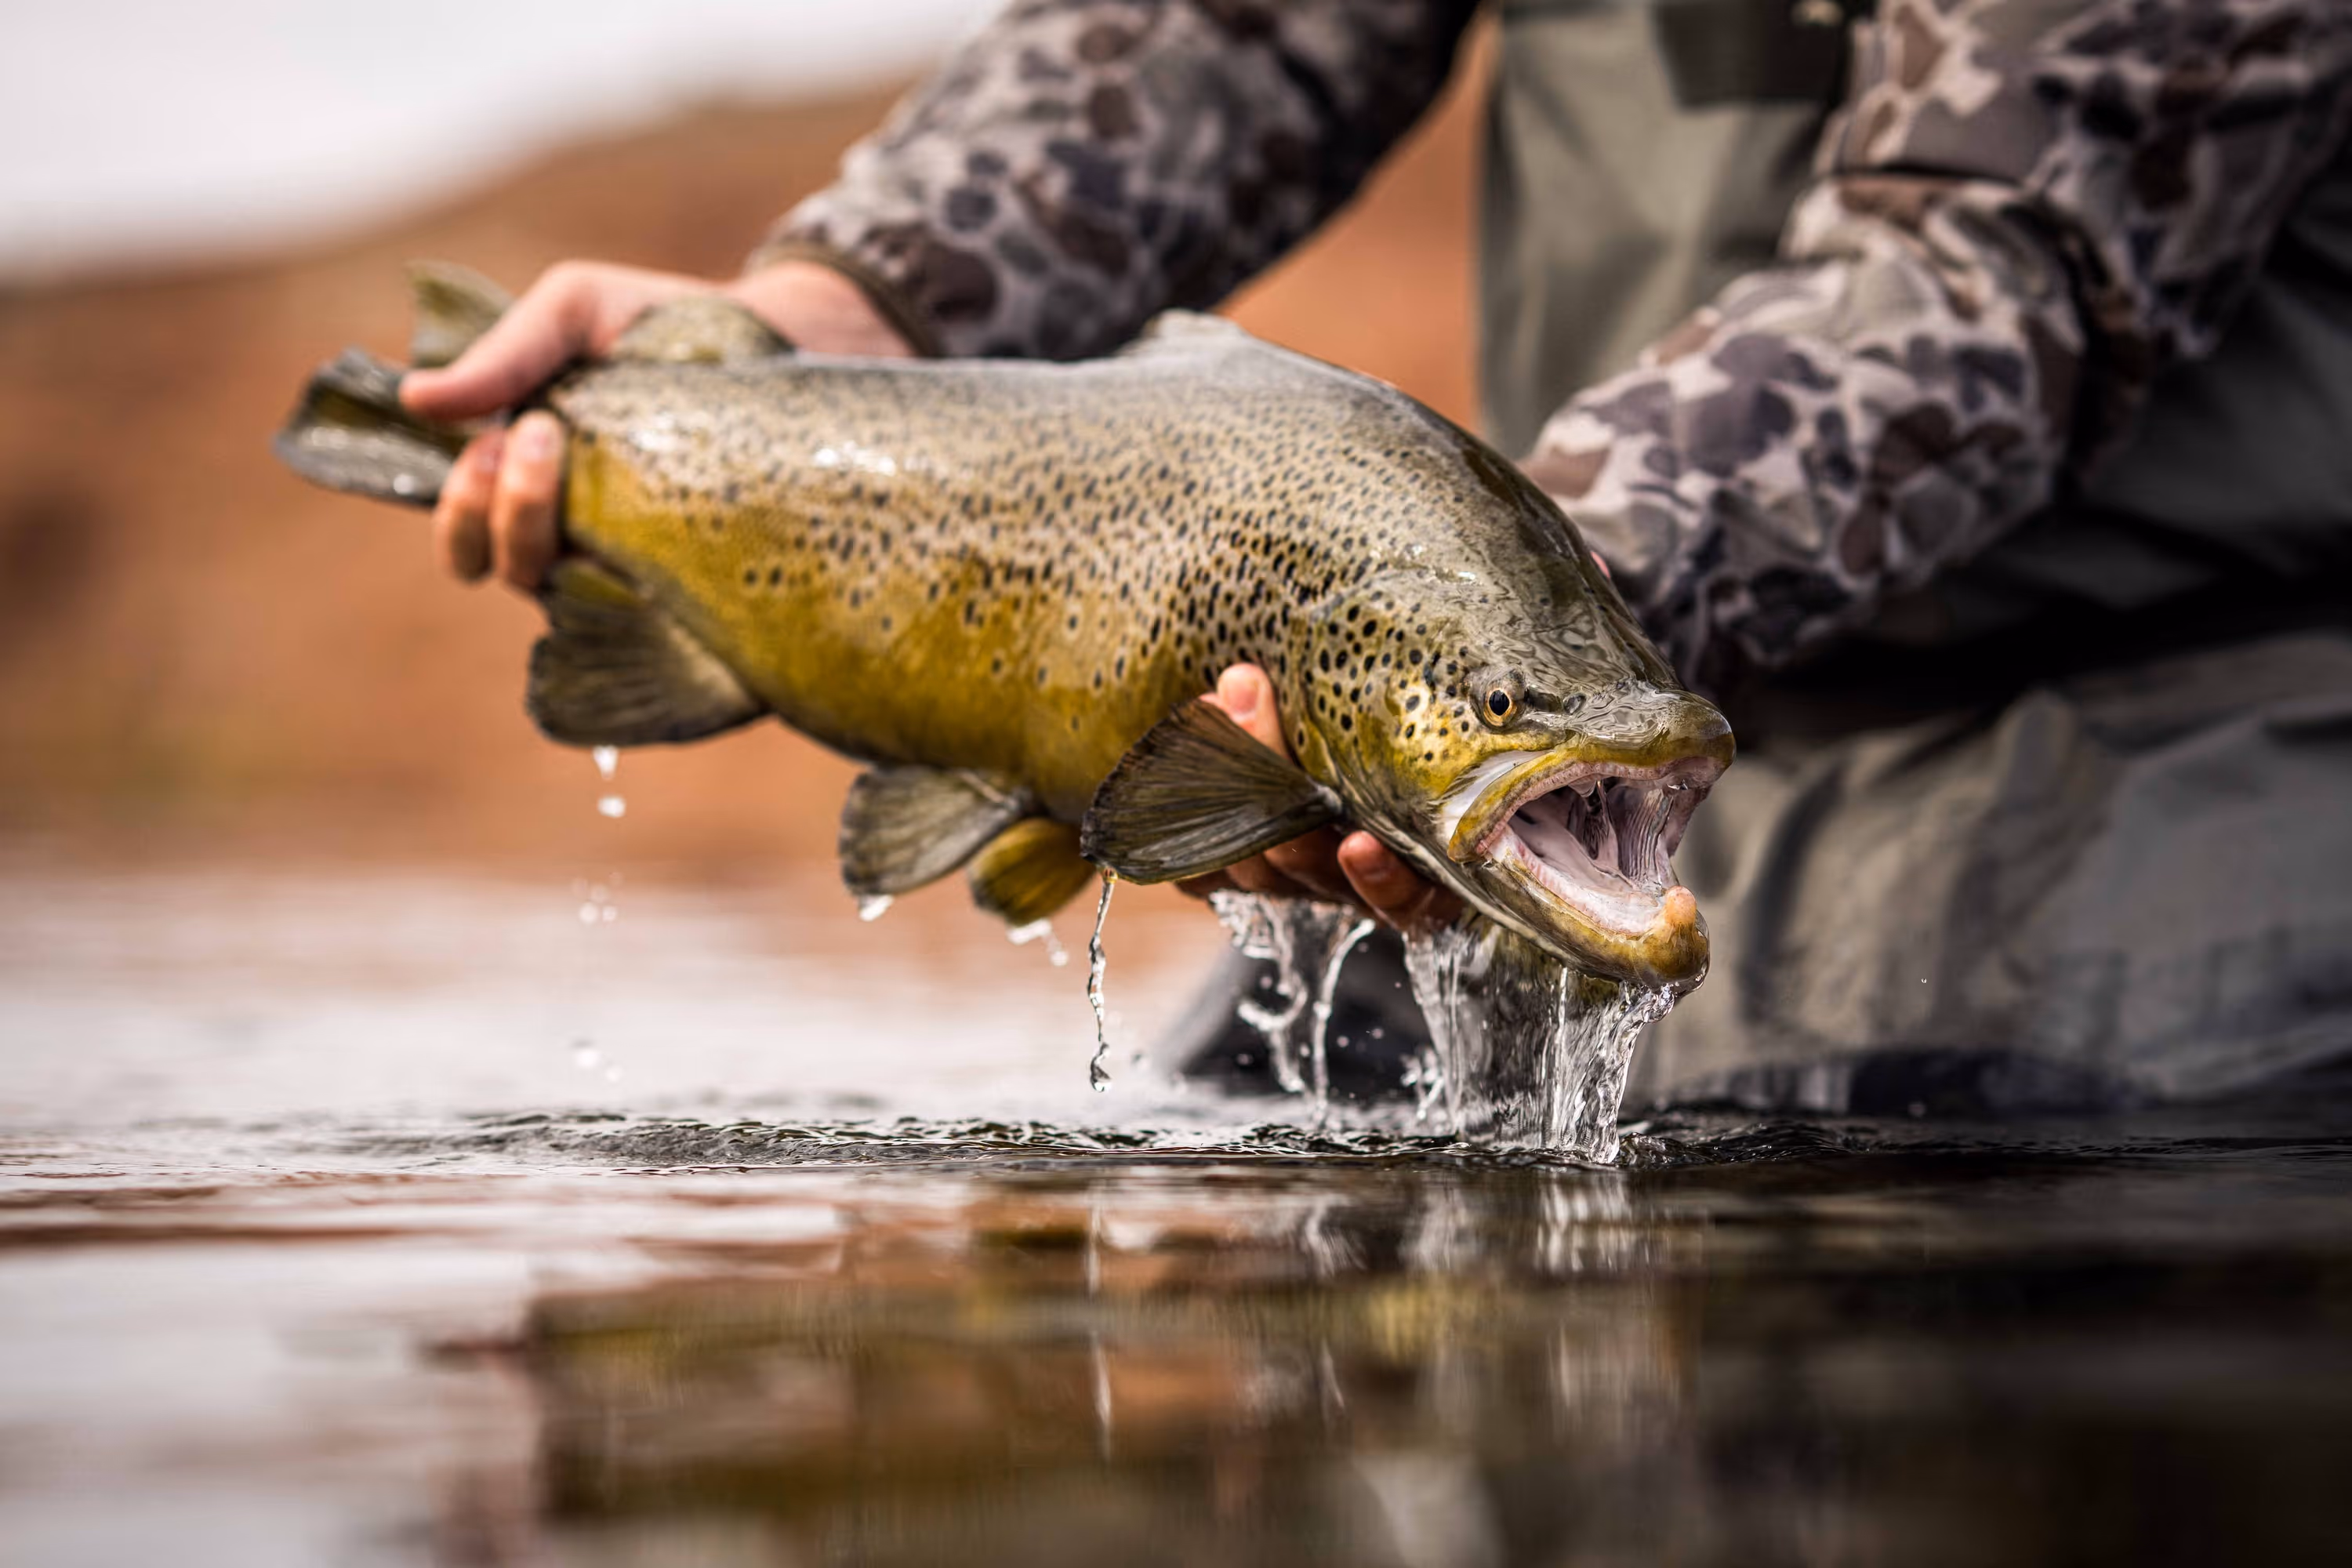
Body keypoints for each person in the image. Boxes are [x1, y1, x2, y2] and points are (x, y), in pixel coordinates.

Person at [405, 0, 2352, 1113]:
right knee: (1216, 1140)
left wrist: (1436, 626)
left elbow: (1992, 260)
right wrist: (855, 308)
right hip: (1542, 749)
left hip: (2173, 742)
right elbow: (1231, 27)